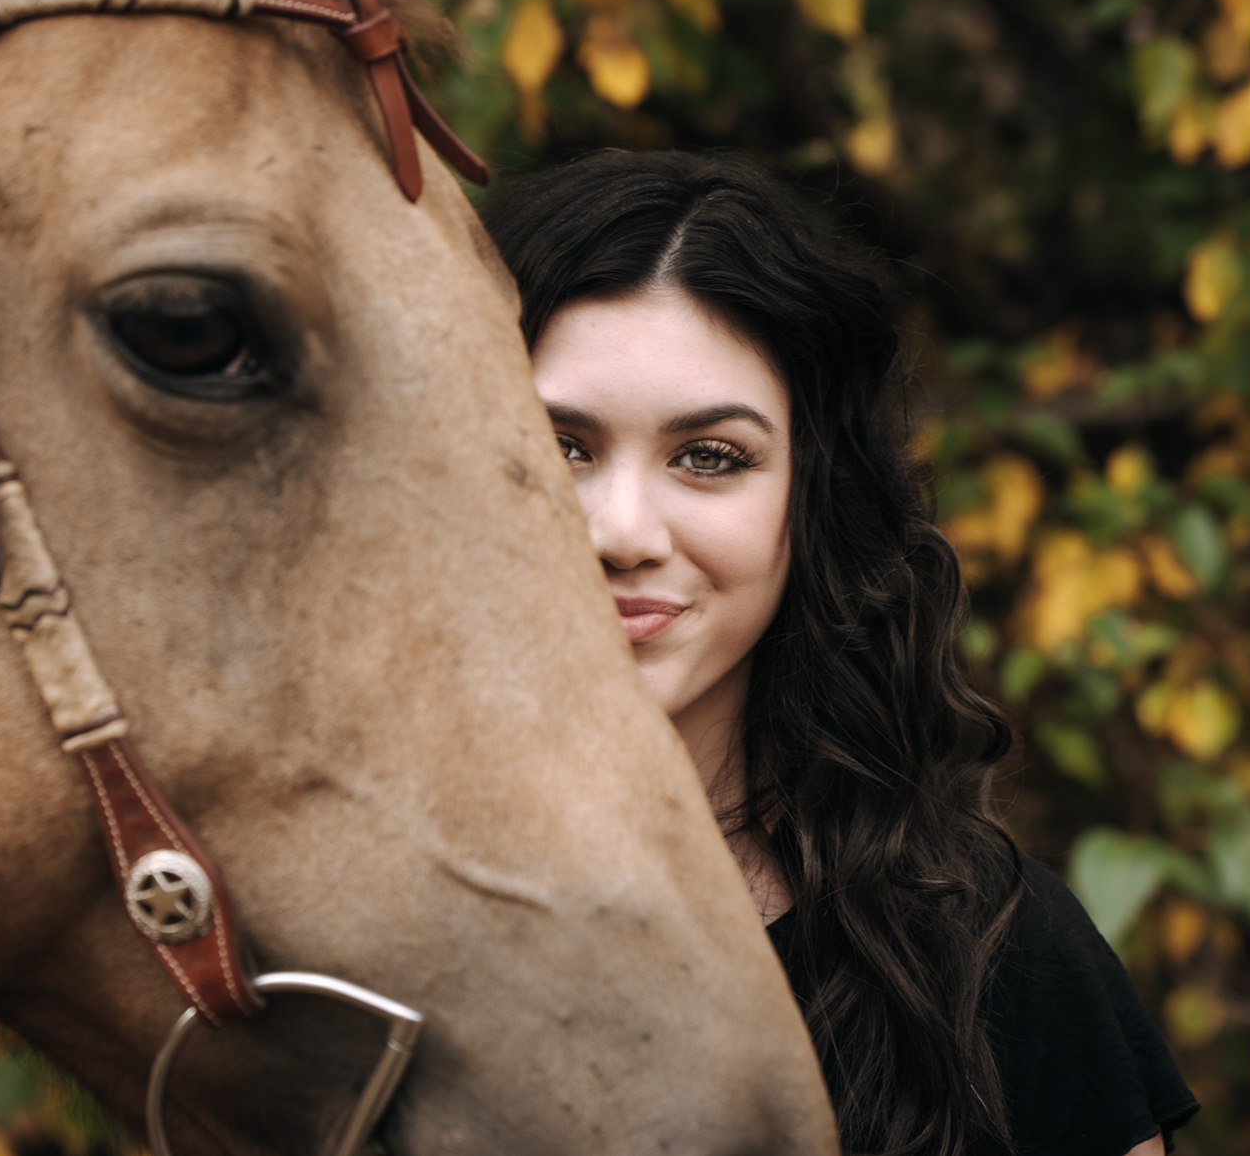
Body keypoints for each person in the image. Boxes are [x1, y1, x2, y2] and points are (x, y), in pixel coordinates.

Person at [483, 150, 1198, 1156]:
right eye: (559, 445)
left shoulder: (993, 954)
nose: (624, 530)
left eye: (710, 457)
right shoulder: (314, 939)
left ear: (810, 503)